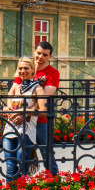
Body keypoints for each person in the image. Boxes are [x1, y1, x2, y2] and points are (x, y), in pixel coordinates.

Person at [11, 41, 60, 176]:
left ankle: (55, 183)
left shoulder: (52, 73)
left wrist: (24, 112)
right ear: (34, 52)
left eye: (44, 55)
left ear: (50, 57)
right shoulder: (24, 68)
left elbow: (45, 96)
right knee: (23, 156)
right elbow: (14, 93)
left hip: (41, 121)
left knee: (47, 155)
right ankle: (23, 187)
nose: (40, 57)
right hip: (24, 121)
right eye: (38, 53)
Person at [2, 58, 46, 182]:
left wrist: (24, 112)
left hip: (26, 131)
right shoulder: (17, 87)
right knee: (10, 166)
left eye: (26, 68)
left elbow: (43, 111)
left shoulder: (37, 88)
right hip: (10, 129)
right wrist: (7, 109)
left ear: (33, 70)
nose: (23, 71)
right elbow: (9, 106)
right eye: (20, 68)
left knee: (22, 166)